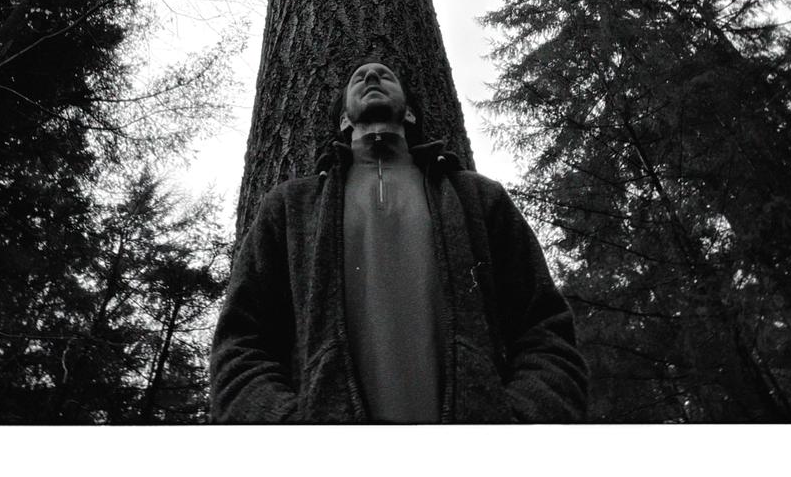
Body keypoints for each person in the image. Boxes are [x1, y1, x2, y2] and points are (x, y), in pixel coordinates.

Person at [209, 60, 587, 423]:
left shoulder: (477, 198)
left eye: (385, 74)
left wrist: (521, 424)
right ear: (343, 118)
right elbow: (240, 340)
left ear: (410, 113)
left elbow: (544, 327)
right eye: (359, 77)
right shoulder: (291, 206)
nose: (372, 74)